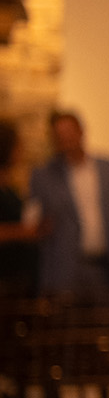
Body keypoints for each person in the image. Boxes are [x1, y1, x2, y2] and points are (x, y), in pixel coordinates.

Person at [29, 109, 109, 301]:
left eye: (68, 133)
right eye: (59, 135)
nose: (65, 139)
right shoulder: (45, 177)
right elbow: (37, 225)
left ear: (81, 132)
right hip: (66, 273)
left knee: (108, 326)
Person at [0, 120, 40, 297]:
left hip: (15, 277)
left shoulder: (9, 186)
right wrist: (26, 232)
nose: (22, 151)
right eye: (18, 146)